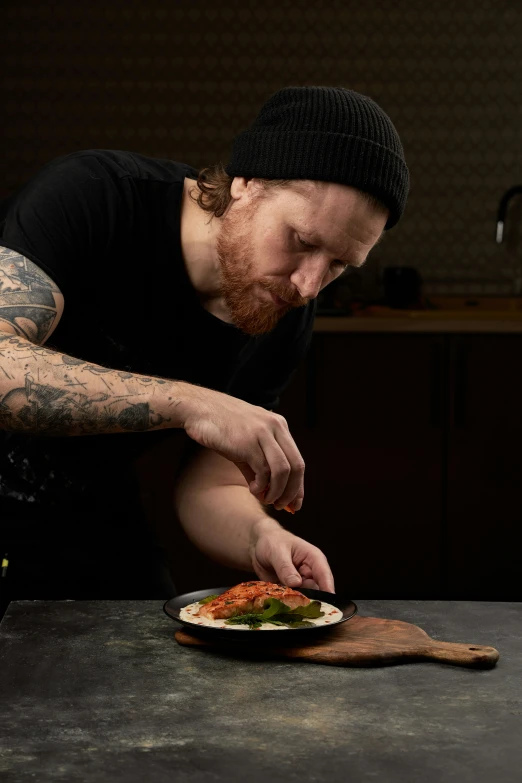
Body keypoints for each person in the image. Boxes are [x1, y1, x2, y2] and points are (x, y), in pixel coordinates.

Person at [0, 86, 409, 607]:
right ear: (246, 183)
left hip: (83, 508)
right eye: (303, 242)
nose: (309, 286)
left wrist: (260, 536)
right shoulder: (94, 195)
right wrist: (192, 402)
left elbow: (212, 485)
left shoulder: (282, 310)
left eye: (338, 266)